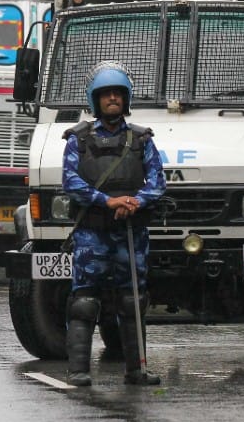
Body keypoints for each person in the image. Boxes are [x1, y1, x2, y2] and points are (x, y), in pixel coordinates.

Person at [61, 61, 166, 387]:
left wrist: (135, 202)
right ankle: (78, 371)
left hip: (130, 232)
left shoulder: (141, 140)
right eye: (105, 94)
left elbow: (157, 182)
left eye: (117, 94)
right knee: (84, 302)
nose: (112, 99)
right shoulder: (78, 140)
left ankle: (136, 370)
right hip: (92, 234)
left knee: (133, 300)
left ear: (126, 98)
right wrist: (107, 201)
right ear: (95, 100)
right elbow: (70, 182)